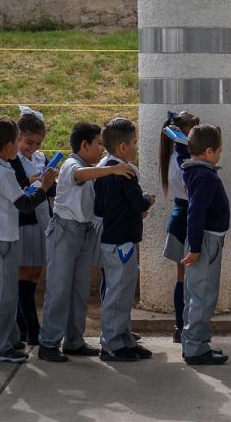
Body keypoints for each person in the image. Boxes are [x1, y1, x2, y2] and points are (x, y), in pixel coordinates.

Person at [38, 122, 134, 363]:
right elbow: (79, 176)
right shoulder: (73, 164)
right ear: (84, 145)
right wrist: (112, 170)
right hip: (65, 231)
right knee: (59, 289)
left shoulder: (94, 168)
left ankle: (73, 339)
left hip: (85, 232)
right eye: (98, 144)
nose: (102, 149)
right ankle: (48, 342)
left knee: (79, 290)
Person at [0, 116, 57, 363]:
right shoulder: (2, 172)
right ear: (9, 145)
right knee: (3, 297)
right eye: (18, 141)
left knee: (7, 294)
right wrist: (44, 186)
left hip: (1, 237)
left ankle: (10, 341)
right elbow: (24, 204)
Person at [94, 118, 154, 362]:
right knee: (118, 293)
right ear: (122, 148)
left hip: (114, 239)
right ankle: (112, 343)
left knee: (121, 292)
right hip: (121, 242)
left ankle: (124, 338)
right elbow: (137, 202)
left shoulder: (103, 169)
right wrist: (148, 200)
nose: (136, 147)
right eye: (134, 143)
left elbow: (100, 206)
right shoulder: (124, 172)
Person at [180, 124, 231, 366]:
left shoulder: (195, 170)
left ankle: (192, 343)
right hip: (206, 241)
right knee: (203, 294)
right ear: (209, 151)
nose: (220, 154)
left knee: (196, 293)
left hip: (205, 239)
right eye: (219, 150)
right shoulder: (204, 176)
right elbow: (196, 213)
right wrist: (196, 248)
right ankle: (196, 347)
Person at [8, 107, 54, 346]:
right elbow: (15, 188)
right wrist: (36, 181)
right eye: (28, 142)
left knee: (35, 273)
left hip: (42, 217)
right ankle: (31, 328)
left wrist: (50, 180)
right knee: (24, 272)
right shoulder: (11, 159)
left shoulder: (40, 157)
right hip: (24, 220)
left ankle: (23, 325)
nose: (33, 148)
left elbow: (50, 191)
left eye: (37, 143)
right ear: (17, 137)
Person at [159, 111, 200, 344]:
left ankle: (182, 326)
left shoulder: (177, 157)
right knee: (186, 279)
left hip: (182, 215)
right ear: (183, 133)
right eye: (193, 131)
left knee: (184, 278)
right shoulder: (182, 161)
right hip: (186, 217)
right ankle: (182, 326)